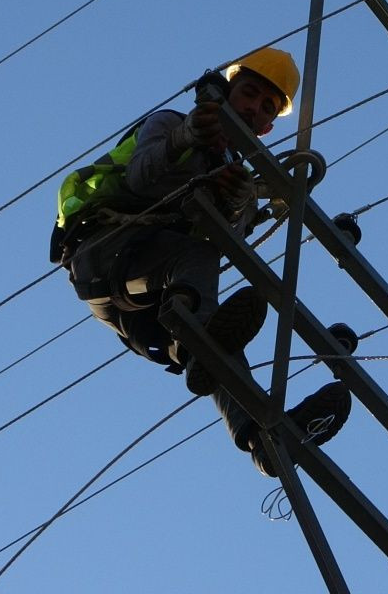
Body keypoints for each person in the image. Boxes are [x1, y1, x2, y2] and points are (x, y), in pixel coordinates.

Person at [56, 47, 350, 476]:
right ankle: (196, 342)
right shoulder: (173, 123)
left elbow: (234, 234)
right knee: (200, 270)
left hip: (153, 307)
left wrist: (234, 202)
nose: (253, 109)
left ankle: (264, 440)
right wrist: (186, 138)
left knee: (221, 343)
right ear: (228, 91)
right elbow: (142, 175)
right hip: (104, 250)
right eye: (249, 94)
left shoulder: (241, 178)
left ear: (267, 128)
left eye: (265, 108)